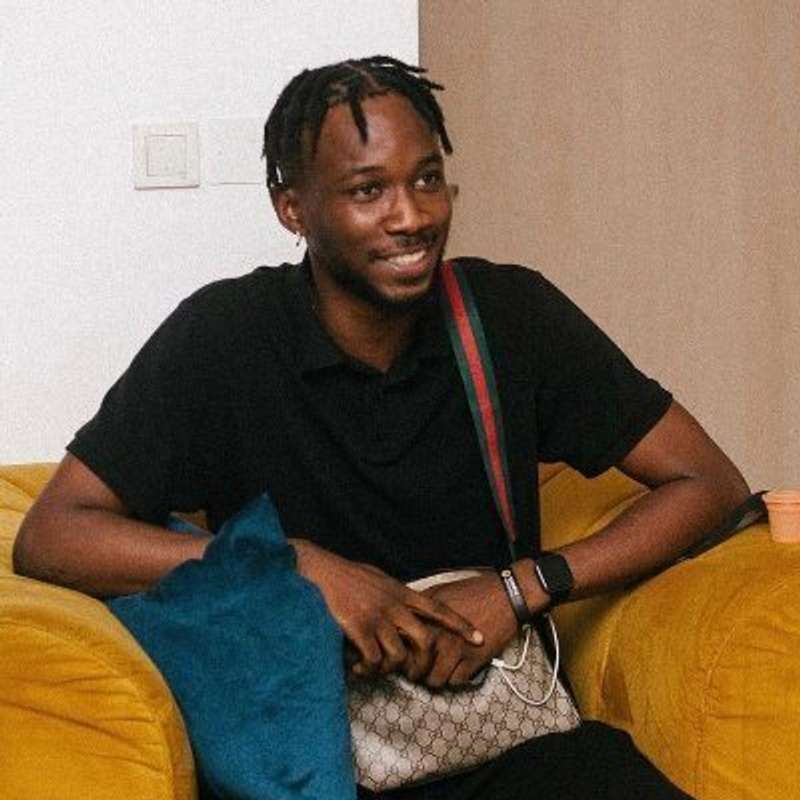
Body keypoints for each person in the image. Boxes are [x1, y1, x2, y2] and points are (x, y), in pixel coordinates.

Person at [14, 55, 749, 799]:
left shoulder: (507, 316)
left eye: (427, 179)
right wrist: (293, 564)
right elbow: (53, 536)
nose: (412, 217)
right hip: (307, 759)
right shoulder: (226, 336)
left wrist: (520, 588)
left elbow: (707, 481)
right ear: (292, 208)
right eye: (368, 190)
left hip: (500, 740)